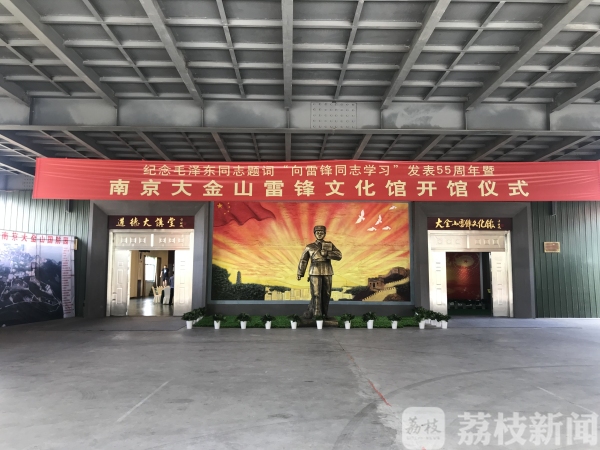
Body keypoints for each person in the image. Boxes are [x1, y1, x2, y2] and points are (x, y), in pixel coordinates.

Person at [297, 225, 342, 319]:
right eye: (317, 232)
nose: (320, 234)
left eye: (322, 232)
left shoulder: (329, 245)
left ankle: (325, 314)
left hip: (327, 270)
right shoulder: (309, 247)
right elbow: (303, 260)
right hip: (314, 270)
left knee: (327, 293)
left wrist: (328, 253)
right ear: (314, 234)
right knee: (316, 293)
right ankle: (317, 315)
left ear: (325, 234)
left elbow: (339, 255)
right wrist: (300, 272)